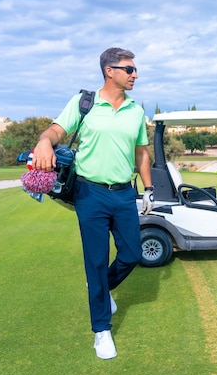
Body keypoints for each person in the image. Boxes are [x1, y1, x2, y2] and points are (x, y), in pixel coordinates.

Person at [31, 47, 153, 359]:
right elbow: (56, 131)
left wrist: (149, 190)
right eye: (129, 69)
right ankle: (101, 330)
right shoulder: (84, 102)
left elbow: (141, 153)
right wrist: (44, 141)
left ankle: (100, 286)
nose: (135, 74)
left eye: (134, 69)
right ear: (109, 71)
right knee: (96, 261)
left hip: (125, 192)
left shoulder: (136, 111)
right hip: (90, 193)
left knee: (132, 254)